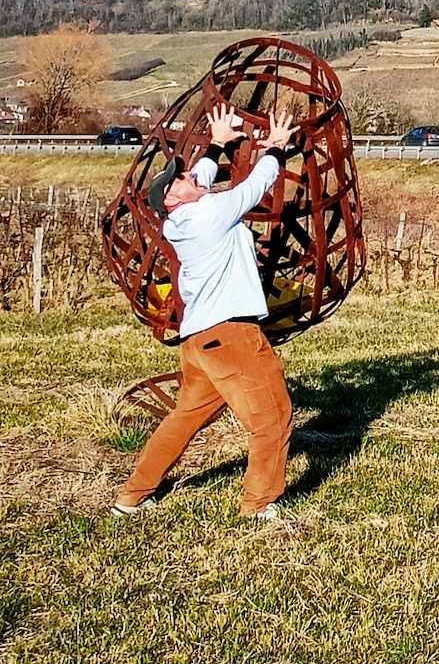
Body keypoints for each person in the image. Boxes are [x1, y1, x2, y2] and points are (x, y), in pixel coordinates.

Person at [113, 104, 300, 520]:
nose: (191, 177)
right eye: (180, 179)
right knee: (272, 417)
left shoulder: (178, 220)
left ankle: (131, 497)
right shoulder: (207, 214)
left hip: (199, 342)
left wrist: (216, 144)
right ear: (173, 199)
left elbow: (202, 177)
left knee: (184, 419)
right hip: (231, 336)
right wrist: (276, 150)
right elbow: (256, 187)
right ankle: (260, 504)